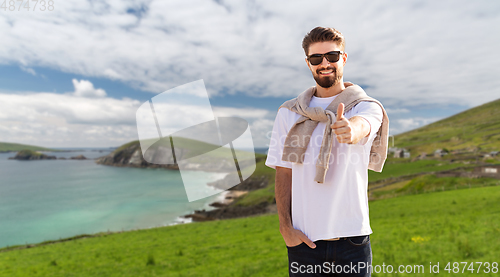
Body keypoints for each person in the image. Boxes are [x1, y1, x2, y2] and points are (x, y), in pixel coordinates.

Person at [265, 27, 389, 276]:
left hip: (353, 242)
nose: (325, 63)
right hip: (303, 243)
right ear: (308, 63)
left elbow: (363, 126)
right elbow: (283, 172)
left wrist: (349, 130)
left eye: (332, 56)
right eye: (316, 58)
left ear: (343, 58)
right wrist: (285, 229)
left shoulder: (366, 107)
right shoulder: (288, 113)